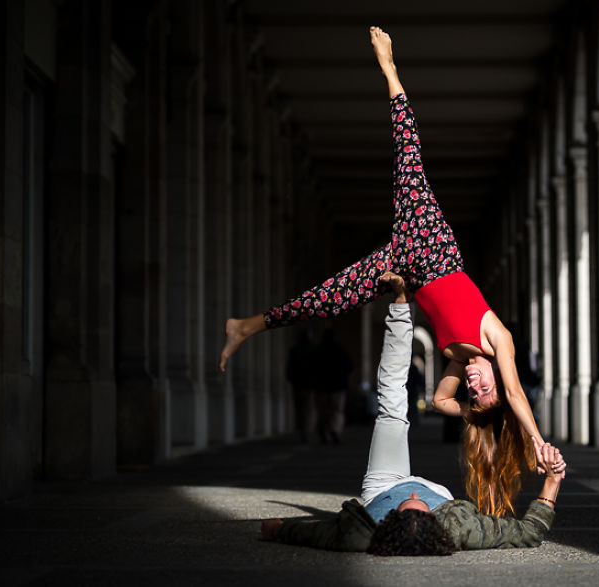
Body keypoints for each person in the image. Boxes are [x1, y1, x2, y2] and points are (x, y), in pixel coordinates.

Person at [220, 26, 559, 516]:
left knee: (330, 296)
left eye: (475, 392)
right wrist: (535, 441)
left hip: (406, 269)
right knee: (409, 156)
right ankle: (389, 67)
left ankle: (246, 325)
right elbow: (513, 390)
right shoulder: (495, 338)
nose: (477, 385)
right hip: (433, 245)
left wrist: (470, 412)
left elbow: (443, 403)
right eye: (484, 388)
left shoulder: (454, 367)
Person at [260, 273, 567, 555]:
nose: (418, 501)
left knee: (392, 404)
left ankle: (400, 303)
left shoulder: (361, 533)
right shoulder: (460, 529)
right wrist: (552, 479)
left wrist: (280, 529)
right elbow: (529, 533)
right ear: (436, 525)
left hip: (384, 484)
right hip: (443, 490)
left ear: (392, 520)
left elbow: (317, 533)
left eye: (409, 509)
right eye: (425, 512)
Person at [313, 328, 354, 444]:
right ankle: (335, 429)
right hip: (338, 385)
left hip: (322, 385)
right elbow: (350, 366)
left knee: (323, 410)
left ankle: (324, 432)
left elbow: (312, 368)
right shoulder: (340, 350)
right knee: (337, 410)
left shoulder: (319, 350)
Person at [286, 329, 317, 443]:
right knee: (308, 409)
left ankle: (303, 431)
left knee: (299, 409)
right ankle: (307, 431)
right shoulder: (313, 350)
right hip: (310, 384)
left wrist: (290, 378)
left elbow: (290, 367)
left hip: (297, 384)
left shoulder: (294, 350)